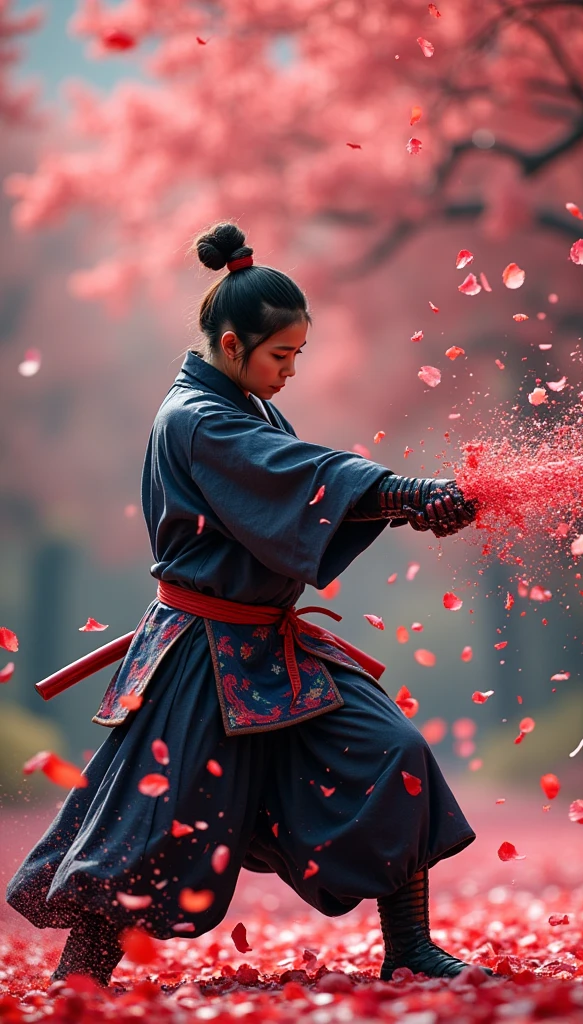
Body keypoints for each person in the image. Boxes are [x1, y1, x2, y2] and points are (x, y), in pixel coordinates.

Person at [6, 222, 490, 988]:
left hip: (272, 648)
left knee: (391, 751)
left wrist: (408, 503)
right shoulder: (197, 419)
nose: (290, 372)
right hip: (202, 656)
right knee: (151, 824)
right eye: (280, 356)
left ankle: (409, 945)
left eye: (297, 356)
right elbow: (293, 477)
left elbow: (295, 486)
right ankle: (80, 981)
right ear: (231, 345)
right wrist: (406, 493)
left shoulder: (240, 405)